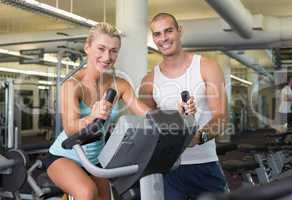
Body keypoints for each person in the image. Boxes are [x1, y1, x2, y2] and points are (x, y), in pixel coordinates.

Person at [44, 22, 150, 200]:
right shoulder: (72, 85)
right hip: (65, 155)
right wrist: (92, 116)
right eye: (101, 48)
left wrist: (174, 114)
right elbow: (70, 129)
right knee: (86, 193)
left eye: (113, 50)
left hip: (93, 161)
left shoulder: (120, 85)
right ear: (87, 47)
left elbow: (146, 113)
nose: (107, 56)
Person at [139, 13, 227, 199]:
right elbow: (149, 129)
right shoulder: (148, 81)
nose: (163, 39)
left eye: (168, 31)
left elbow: (221, 118)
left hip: (205, 165)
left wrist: (197, 137)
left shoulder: (206, 67)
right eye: (157, 34)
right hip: (168, 169)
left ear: (180, 31)